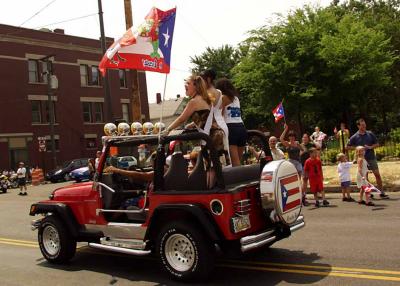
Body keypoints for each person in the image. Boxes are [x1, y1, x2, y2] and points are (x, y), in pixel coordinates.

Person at [166, 75, 230, 166]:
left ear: (195, 86)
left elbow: (181, 119)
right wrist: (192, 124)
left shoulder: (194, 102)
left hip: (210, 137)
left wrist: (167, 130)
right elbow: (205, 117)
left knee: (211, 168)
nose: (185, 85)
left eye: (188, 83)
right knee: (217, 167)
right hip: (216, 133)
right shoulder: (206, 98)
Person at [347, 118, 388, 198]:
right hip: (362, 160)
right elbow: (347, 147)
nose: (364, 126)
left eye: (365, 124)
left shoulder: (370, 134)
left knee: (377, 174)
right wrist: (358, 148)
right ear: (358, 126)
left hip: (371, 157)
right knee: (365, 177)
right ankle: (368, 192)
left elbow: (377, 144)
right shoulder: (354, 136)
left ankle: (381, 192)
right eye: (362, 125)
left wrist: (370, 147)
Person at [216, 78, 247, 166]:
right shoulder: (236, 98)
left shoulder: (223, 98)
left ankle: (237, 179)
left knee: (235, 163)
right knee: (239, 161)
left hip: (231, 128)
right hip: (241, 127)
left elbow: (220, 116)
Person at [280, 124, 307, 205]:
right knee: (292, 180)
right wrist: (285, 129)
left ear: (295, 137)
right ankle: (295, 196)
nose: (292, 137)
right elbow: (281, 139)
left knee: (300, 180)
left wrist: (300, 154)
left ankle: (302, 196)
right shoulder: (287, 144)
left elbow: (304, 149)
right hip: (291, 163)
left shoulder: (297, 143)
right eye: (290, 136)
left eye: (293, 136)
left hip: (298, 162)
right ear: (289, 137)